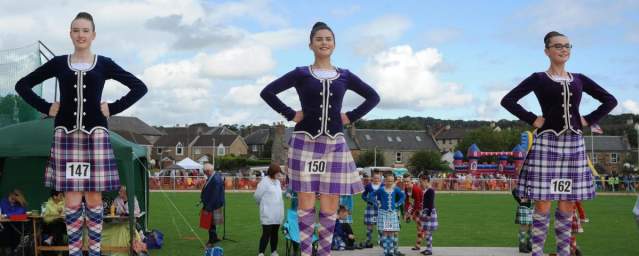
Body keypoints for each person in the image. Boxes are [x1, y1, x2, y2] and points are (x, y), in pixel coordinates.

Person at [14, 12, 147, 256]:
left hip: (96, 137)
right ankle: (75, 252)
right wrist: (46, 107)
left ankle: (94, 252)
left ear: (93, 35)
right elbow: (22, 85)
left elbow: (139, 87)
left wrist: (113, 108)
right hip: (66, 137)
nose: (80, 35)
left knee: (95, 199)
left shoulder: (104, 63)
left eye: (85, 30)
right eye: (76, 30)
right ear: (70, 34)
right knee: (73, 200)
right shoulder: (58, 63)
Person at [260, 21, 379, 256]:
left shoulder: (345, 75)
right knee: (305, 201)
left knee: (330, 204)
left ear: (334, 44)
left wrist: (350, 117)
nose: (324, 42)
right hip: (305, 143)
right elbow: (267, 92)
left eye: (328, 39)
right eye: (319, 39)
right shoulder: (301, 73)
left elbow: (373, 97)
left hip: (334, 145)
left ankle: (324, 252)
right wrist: (291, 114)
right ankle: (306, 253)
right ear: (311, 45)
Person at [501, 31, 617, 256]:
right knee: (543, 203)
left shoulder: (580, 79)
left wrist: (587, 119)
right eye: (557, 46)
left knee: (567, 203)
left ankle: (564, 252)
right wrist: (533, 119)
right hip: (547, 144)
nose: (564, 49)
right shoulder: (539, 78)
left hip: (573, 145)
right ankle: (537, 252)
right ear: (547, 51)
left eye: (567, 45)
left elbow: (610, 100)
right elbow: (508, 100)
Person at [371, 172, 405, 256]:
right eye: (388, 181)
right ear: (384, 181)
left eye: (392, 181)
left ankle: (392, 251)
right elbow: (371, 195)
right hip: (383, 213)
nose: (390, 183)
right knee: (386, 233)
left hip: (392, 213)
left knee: (392, 233)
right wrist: (377, 203)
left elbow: (403, 196)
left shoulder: (396, 189)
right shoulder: (381, 189)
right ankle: (386, 251)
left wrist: (397, 204)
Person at [254, 164, 285, 256]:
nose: (279, 175)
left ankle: (274, 251)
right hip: (267, 213)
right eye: (277, 173)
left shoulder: (278, 182)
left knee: (275, 233)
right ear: (272, 172)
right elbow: (257, 196)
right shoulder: (264, 182)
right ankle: (261, 252)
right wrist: (263, 205)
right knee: (266, 233)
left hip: (277, 212)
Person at [200, 163, 225, 247]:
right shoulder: (213, 177)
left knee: (210, 223)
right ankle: (215, 238)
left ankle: (211, 241)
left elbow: (215, 194)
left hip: (213, 204)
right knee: (212, 223)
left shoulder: (215, 178)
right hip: (211, 203)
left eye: (204, 172)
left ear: (208, 171)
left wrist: (208, 207)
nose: (204, 173)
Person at [0, 189, 28, 254]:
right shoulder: (3, 201)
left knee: (16, 230)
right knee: (5, 229)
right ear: (9, 195)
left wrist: (8, 215)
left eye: (15, 200)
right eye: (12, 199)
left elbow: (23, 215)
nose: (13, 201)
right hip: (5, 225)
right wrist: (12, 215)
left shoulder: (19, 204)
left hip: (16, 225)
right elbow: (3, 213)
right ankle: (8, 250)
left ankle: (14, 250)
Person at [403, 173, 425, 251]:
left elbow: (418, 203)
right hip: (415, 206)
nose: (406, 183)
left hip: (421, 207)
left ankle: (418, 245)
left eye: (407, 181)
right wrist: (406, 212)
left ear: (411, 181)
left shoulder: (415, 189)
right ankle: (418, 242)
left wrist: (411, 214)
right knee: (418, 226)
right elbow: (406, 201)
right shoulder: (406, 188)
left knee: (419, 227)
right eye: (404, 181)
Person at [362, 171, 382, 248]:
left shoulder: (383, 186)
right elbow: (363, 195)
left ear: (380, 179)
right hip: (370, 208)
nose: (376, 179)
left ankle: (380, 240)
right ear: (372, 178)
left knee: (380, 224)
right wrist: (367, 200)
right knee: (369, 225)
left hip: (380, 208)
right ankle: (368, 240)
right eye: (375, 178)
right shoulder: (368, 186)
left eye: (378, 178)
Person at [419, 174, 438, 256]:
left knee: (428, 232)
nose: (420, 183)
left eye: (421, 181)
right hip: (426, 212)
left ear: (425, 180)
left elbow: (430, 203)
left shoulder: (430, 190)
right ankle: (428, 248)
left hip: (429, 213)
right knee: (427, 232)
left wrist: (428, 214)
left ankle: (429, 249)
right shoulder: (427, 190)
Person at [512, 189, 532, 253]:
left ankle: (529, 245)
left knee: (531, 227)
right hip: (524, 207)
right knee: (523, 227)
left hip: (533, 207)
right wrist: (520, 200)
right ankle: (522, 246)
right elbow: (514, 191)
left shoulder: (532, 184)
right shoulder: (523, 183)